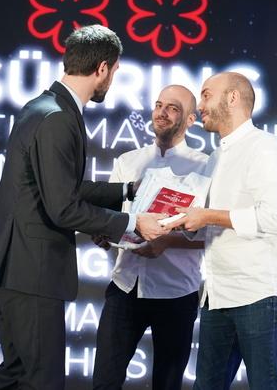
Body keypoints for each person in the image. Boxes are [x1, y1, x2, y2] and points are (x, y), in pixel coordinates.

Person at [0, 25, 167, 390]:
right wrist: (133, 223)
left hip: (14, 266)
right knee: (40, 381)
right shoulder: (59, 118)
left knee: (16, 376)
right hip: (31, 270)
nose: (112, 80)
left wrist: (126, 190)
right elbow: (62, 207)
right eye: (115, 71)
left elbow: (59, 187)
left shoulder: (42, 107)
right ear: (102, 68)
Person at [169, 72, 277, 390]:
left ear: (233, 98)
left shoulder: (265, 148)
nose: (200, 106)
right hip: (217, 295)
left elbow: (274, 218)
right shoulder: (214, 158)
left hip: (259, 293)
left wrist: (207, 216)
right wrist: (178, 223)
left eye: (206, 95)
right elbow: (211, 225)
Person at [92, 85, 208, 390]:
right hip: (125, 286)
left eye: (173, 108)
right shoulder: (128, 161)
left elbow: (213, 233)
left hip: (176, 292)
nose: (162, 113)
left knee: (167, 385)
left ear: (191, 120)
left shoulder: (206, 167)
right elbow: (110, 215)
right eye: (158, 105)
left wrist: (167, 241)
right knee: (104, 383)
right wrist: (102, 232)